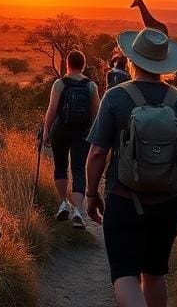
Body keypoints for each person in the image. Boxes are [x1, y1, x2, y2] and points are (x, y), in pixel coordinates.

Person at [85, 28, 177, 307]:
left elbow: (97, 153)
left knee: (124, 275)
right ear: (165, 65)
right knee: (154, 273)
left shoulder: (115, 98)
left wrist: (91, 194)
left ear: (132, 60)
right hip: (169, 203)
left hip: (123, 198)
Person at [42, 50, 100, 228]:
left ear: (67, 64)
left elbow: (52, 110)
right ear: (83, 65)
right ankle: (78, 211)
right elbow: (96, 114)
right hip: (81, 133)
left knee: (60, 166)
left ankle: (62, 204)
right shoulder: (91, 86)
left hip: (60, 131)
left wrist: (46, 130)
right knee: (78, 169)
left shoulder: (60, 84)